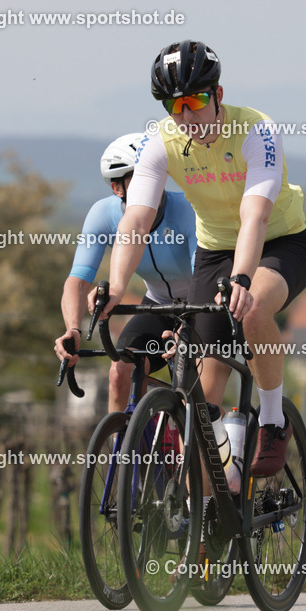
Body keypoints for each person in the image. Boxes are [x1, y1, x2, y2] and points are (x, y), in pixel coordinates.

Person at [93, 40, 306, 476]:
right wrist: (117, 284)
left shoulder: (257, 132)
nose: (185, 116)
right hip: (215, 252)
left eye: (194, 101)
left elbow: (256, 217)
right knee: (198, 402)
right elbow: (136, 219)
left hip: (279, 243)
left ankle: (272, 420)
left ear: (218, 95)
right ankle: (209, 520)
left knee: (251, 314)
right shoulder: (162, 141)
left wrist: (244, 280)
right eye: (174, 106)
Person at [54, 132, 197, 412]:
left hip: (199, 304)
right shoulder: (103, 215)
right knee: (121, 371)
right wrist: (72, 329)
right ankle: (125, 451)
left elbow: (201, 274)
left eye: (154, 174)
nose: (152, 183)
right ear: (117, 188)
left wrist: (189, 326)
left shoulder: (186, 210)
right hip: (157, 305)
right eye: (140, 177)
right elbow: (78, 281)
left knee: (189, 388)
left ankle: (192, 450)